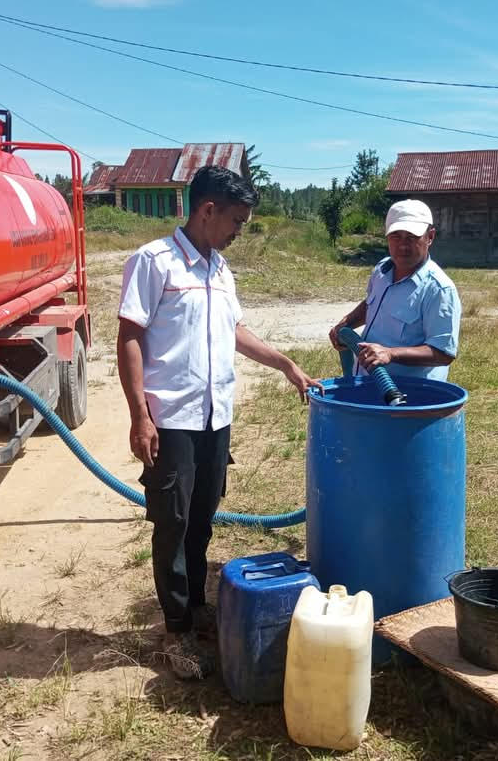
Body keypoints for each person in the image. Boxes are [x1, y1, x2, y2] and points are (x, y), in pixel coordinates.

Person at [117, 165, 322, 680]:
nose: (239, 231)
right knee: (173, 522)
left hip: (214, 417)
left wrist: (286, 365)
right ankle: (176, 631)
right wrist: (140, 415)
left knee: (202, 517)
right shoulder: (155, 262)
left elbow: (235, 331)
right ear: (208, 210)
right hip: (171, 418)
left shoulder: (220, 269)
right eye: (236, 220)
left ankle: (195, 607)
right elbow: (129, 337)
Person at [328, 199, 461, 381]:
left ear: (430, 237)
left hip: (408, 394)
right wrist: (346, 323)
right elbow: (371, 305)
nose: (403, 246)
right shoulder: (382, 270)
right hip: (367, 383)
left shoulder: (439, 289)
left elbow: (444, 353)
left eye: (411, 237)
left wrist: (391, 354)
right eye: (396, 236)